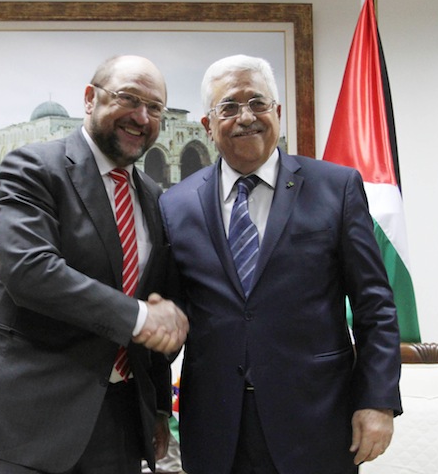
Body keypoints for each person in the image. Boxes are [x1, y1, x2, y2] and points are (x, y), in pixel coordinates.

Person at [158, 54, 402, 474]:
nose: (246, 117)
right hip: (215, 429)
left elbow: (375, 306)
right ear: (207, 125)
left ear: (279, 113)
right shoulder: (174, 205)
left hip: (317, 422)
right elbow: (166, 319)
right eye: (229, 107)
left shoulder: (336, 187)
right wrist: (157, 409)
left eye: (258, 103)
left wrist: (377, 400)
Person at [0, 55, 189, 474]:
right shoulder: (34, 167)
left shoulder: (153, 196)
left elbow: (148, 295)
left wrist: (153, 408)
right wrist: (140, 318)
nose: (142, 116)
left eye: (155, 108)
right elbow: (30, 271)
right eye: (129, 99)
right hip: (26, 418)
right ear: (89, 98)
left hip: (116, 420)